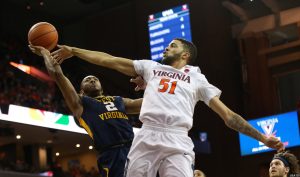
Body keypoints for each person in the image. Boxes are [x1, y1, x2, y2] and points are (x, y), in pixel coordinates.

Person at [51, 38, 285, 177]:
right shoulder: (150, 67)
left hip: (177, 139)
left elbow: (229, 116)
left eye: (172, 46)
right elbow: (109, 60)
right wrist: (74, 51)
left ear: (184, 54)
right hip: (147, 134)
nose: (166, 48)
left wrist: (261, 138)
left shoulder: (197, 79)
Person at [28, 45, 143, 177]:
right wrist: (45, 53)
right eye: (87, 80)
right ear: (81, 91)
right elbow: (57, 74)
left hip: (135, 149)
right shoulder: (80, 103)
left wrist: (153, 84)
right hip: (112, 155)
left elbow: (147, 103)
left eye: (95, 79)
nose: (92, 79)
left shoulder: (118, 100)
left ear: (101, 88)